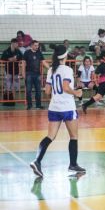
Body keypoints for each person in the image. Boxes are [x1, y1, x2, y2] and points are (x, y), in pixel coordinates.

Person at [30, 45, 85, 177]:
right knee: (74, 136)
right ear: (65, 56)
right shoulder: (67, 69)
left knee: (50, 136)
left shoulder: (51, 70)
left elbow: (47, 91)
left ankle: (37, 161)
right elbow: (66, 87)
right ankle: (73, 164)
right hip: (67, 107)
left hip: (54, 107)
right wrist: (76, 93)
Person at [22, 40, 49, 110]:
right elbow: (23, 63)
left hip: (37, 74)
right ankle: (29, 105)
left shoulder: (39, 53)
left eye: (38, 45)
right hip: (29, 74)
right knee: (28, 91)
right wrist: (23, 73)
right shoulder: (27, 52)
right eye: (35, 45)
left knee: (38, 90)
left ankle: (38, 105)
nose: (37, 47)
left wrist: (51, 68)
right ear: (31, 45)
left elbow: (43, 62)